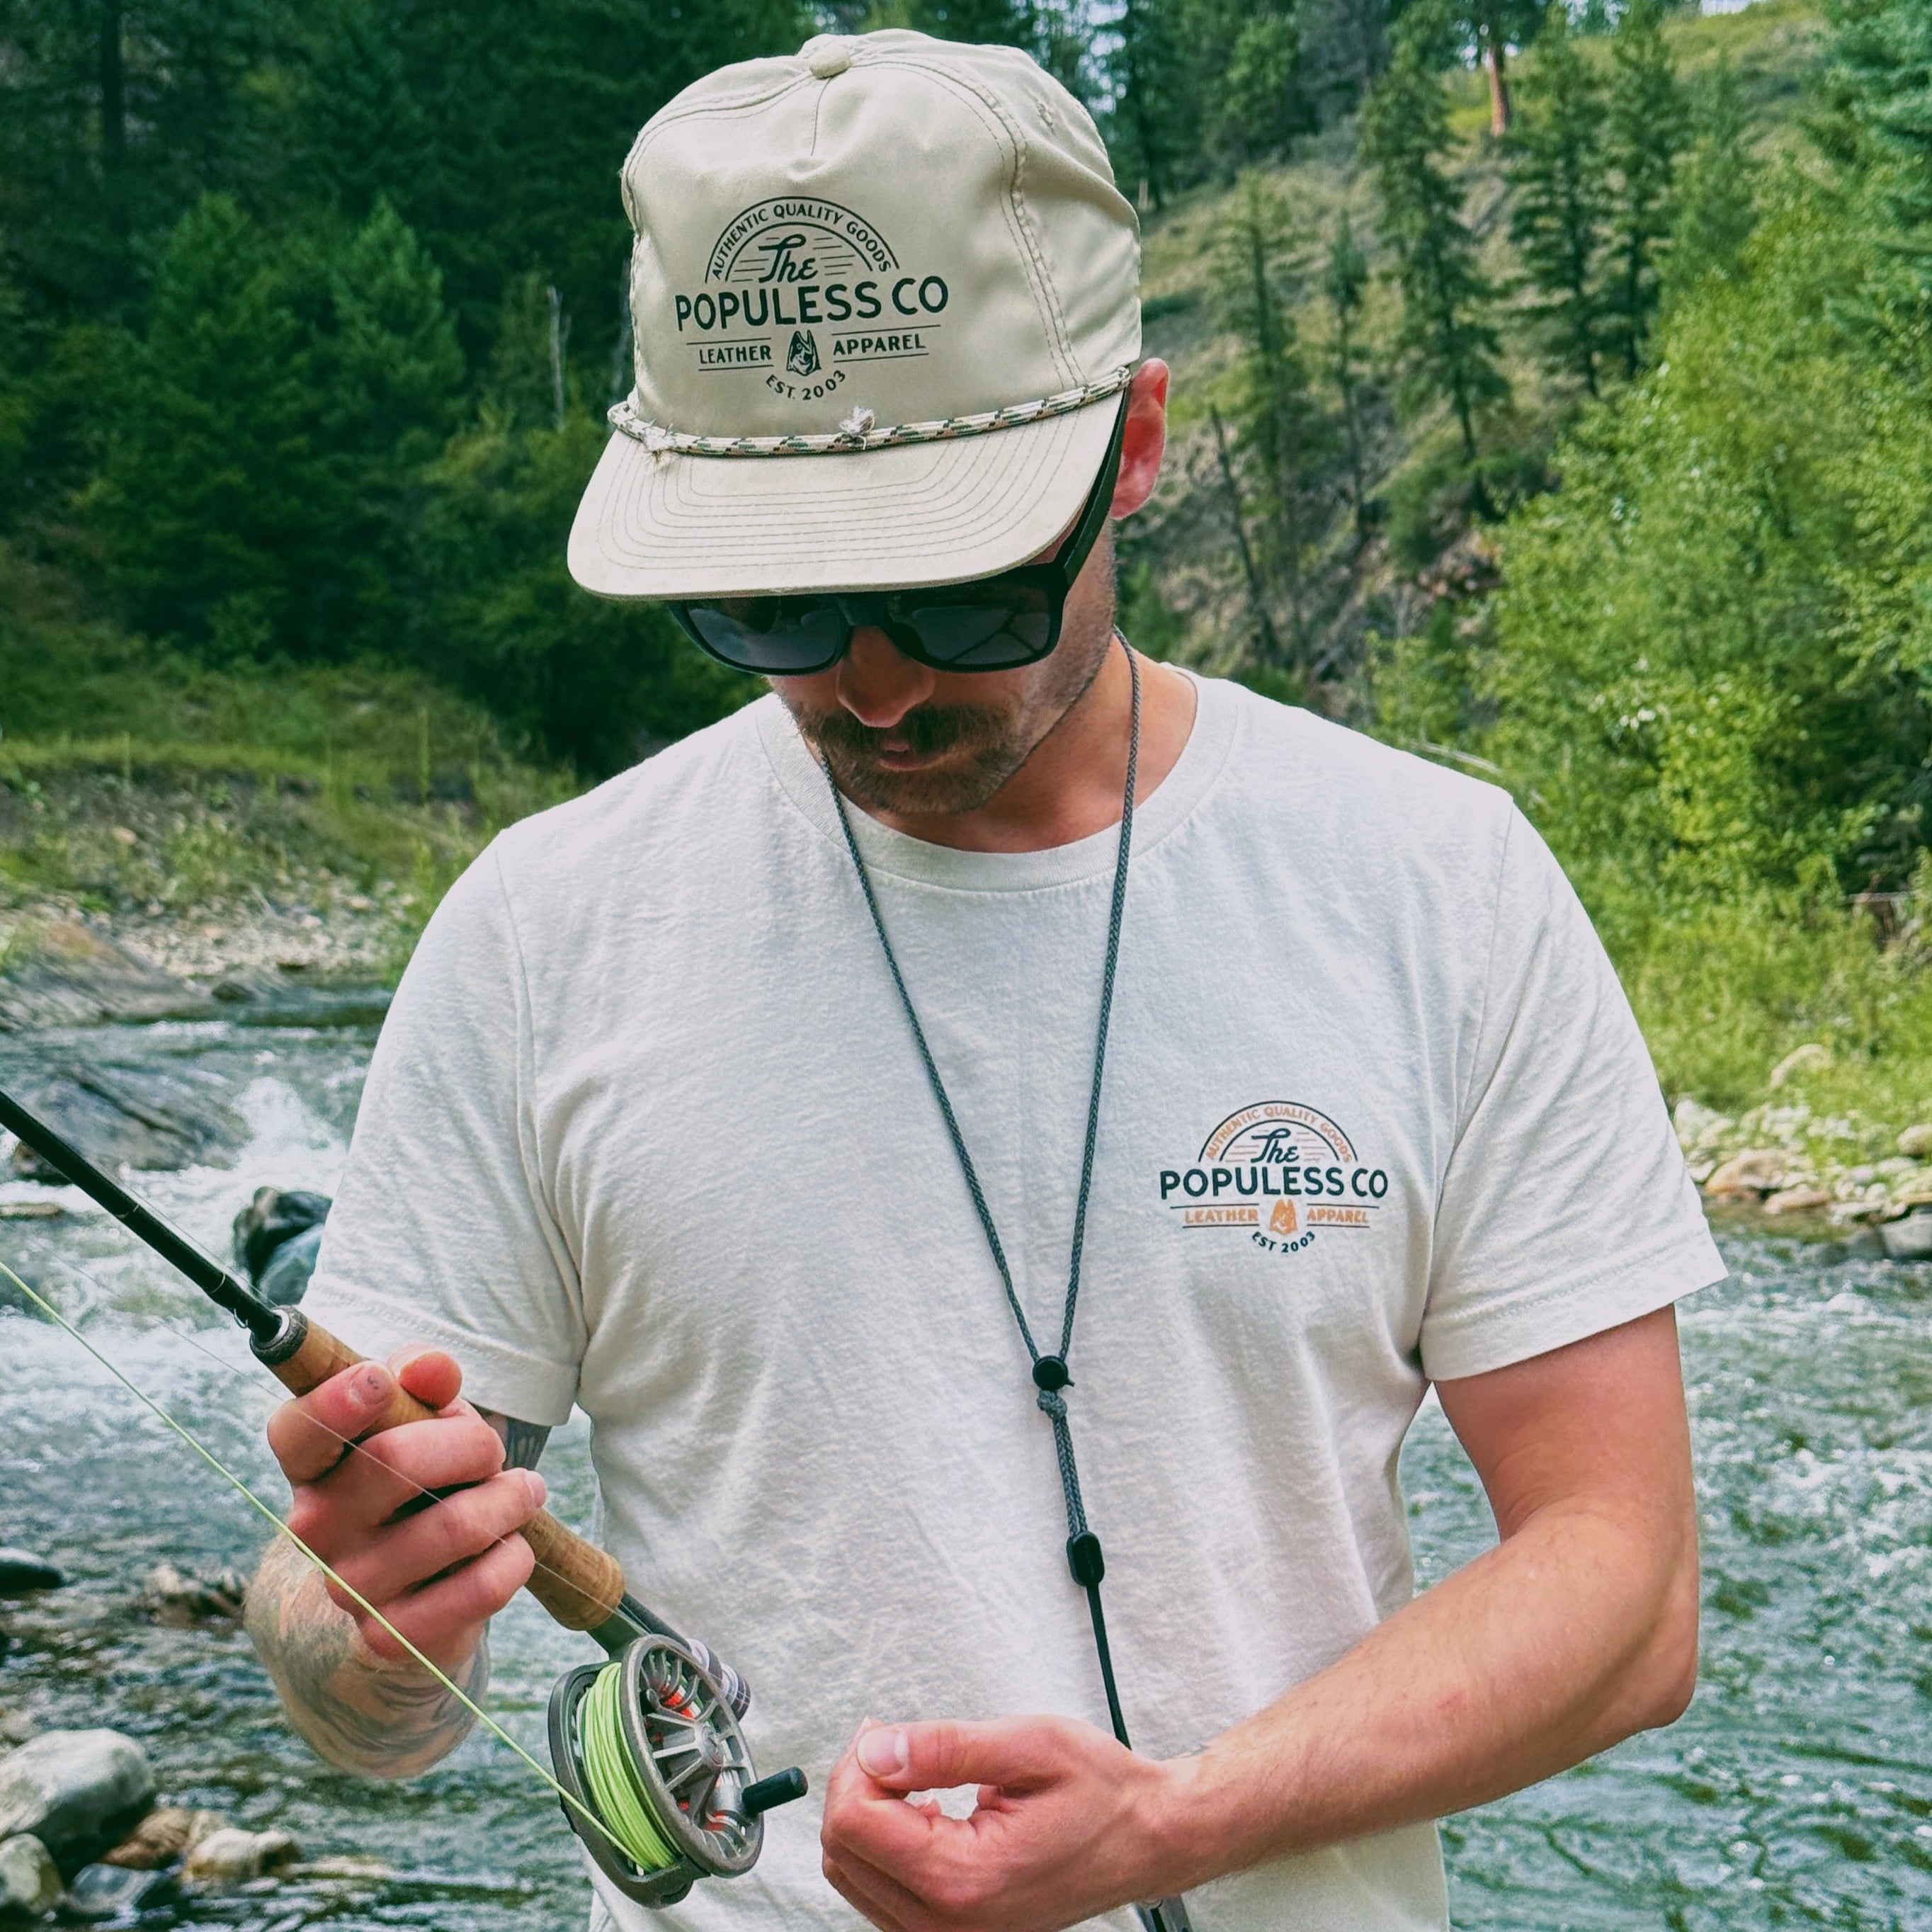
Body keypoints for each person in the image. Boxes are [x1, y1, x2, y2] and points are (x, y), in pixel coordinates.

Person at [245, 29, 1722, 1932]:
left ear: (1138, 449)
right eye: (771, 601)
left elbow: (1631, 1585)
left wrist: (1178, 1822)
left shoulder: (1436, 887)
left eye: (954, 592)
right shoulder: (544, 931)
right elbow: (345, 1691)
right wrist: (360, 1629)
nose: (866, 684)